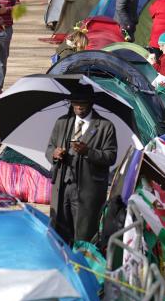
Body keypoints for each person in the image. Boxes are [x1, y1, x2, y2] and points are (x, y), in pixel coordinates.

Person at [46, 85, 118, 245]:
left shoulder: (105, 126)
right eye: (76, 102)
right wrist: (55, 154)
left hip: (88, 190)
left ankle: (82, 265)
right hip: (63, 187)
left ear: (91, 103)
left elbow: (111, 156)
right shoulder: (62, 123)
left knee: (84, 235)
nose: (79, 106)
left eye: (83, 103)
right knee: (60, 234)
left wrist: (88, 152)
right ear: (71, 103)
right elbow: (49, 147)